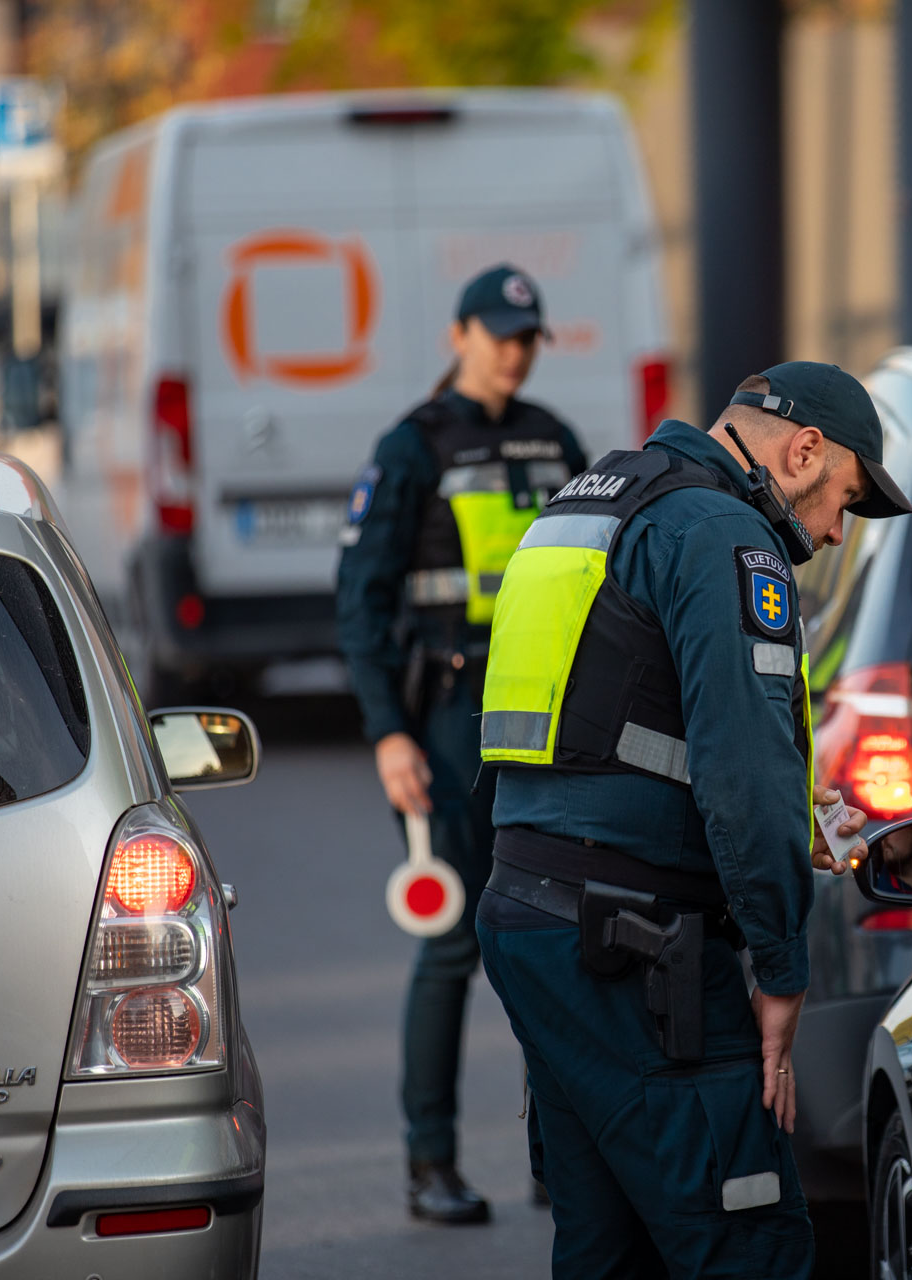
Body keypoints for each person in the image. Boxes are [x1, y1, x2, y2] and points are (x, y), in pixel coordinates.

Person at [474, 361, 912, 1277]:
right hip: (636, 955)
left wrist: (790, 810)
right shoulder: (726, 535)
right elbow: (742, 778)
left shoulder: (590, 503)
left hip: (534, 923)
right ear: (802, 450)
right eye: (843, 501)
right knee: (746, 1245)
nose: (835, 533)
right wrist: (783, 977)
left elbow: (607, 735)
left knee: (607, 1248)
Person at [336, 264, 587, 1224]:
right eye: (499, 333)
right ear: (460, 334)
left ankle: (555, 1156)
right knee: (452, 945)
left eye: (527, 336)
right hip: (447, 716)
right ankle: (428, 1163)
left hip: (553, 717)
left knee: (551, 940)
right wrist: (387, 733)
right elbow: (360, 603)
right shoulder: (413, 447)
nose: (515, 350)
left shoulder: (553, 438)